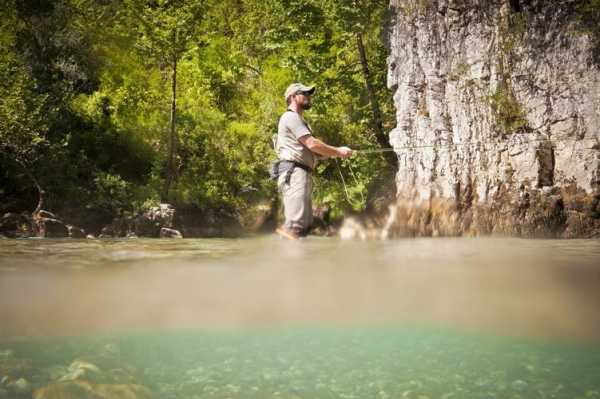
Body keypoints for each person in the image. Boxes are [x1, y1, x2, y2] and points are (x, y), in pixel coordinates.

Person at [273, 83, 353, 239]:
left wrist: (338, 153)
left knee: (303, 227)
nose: (309, 96)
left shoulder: (301, 122)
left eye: (309, 94)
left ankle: (299, 261)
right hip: (294, 172)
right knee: (294, 228)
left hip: (299, 173)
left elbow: (314, 151)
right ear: (292, 97)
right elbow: (312, 143)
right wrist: (338, 151)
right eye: (304, 93)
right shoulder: (290, 117)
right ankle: (286, 260)